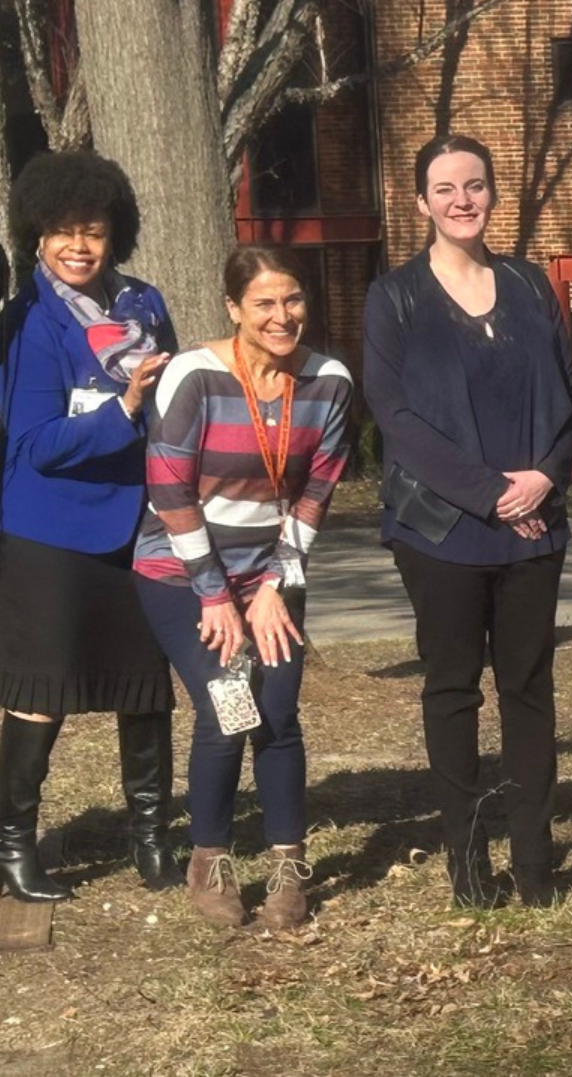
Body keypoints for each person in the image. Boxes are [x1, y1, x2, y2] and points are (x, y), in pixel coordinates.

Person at [364, 134, 572, 909]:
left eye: (476, 185)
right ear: (421, 202)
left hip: (533, 529)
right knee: (453, 690)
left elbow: (568, 395)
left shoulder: (527, 284)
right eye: (445, 188)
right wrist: (492, 493)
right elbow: (397, 418)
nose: (463, 199)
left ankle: (534, 863)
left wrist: (544, 478)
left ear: (493, 193)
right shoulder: (394, 298)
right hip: (444, 533)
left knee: (528, 688)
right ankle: (468, 861)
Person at [135, 248, 352, 929]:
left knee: (279, 711)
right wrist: (214, 593)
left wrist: (274, 584)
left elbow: (317, 490)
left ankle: (290, 867)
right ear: (234, 308)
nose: (281, 316)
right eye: (263, 303)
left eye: (292, 301)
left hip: (271, 573)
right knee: (229, 706)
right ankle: (211, 859)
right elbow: (169, 491)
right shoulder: (194, 377)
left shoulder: (330, 381)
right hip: (182, 571)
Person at [0, 151, 182, 902]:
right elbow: (32, 443)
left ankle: (151, 840)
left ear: (117, 235)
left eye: (95, 231)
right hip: (48, 532)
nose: (80, 245)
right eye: (64, 230)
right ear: (37, 236)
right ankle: (13, 845)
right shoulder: (27, 324)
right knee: (42, 689)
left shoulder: (145, 303)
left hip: (139, 524)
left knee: (146, 685)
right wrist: (124, 410)